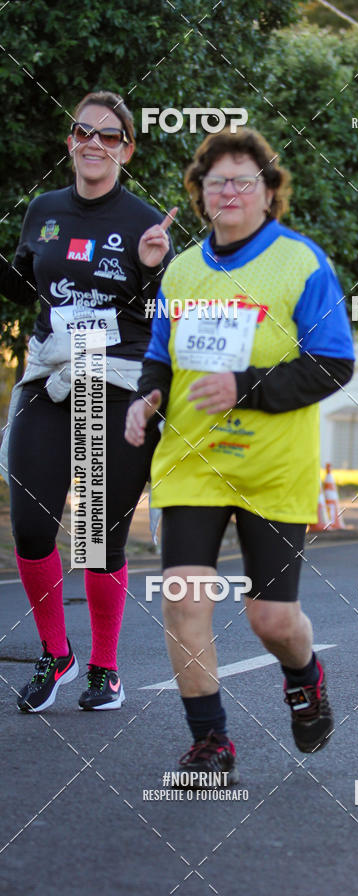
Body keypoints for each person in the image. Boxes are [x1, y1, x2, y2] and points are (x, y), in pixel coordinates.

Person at [125, 127, 354, 778]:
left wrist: (247, 387)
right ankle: (211, 741)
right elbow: (159, 359)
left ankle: (304, 676)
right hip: (191, 464)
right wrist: (147, 400)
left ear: (268, 193)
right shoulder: (184, 269)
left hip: (272, 468)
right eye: (216, 180)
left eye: (243, 180)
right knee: (184, 598)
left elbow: (334, 364)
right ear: (200, 195)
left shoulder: (302, 262)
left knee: (272, 620)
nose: (228, 190)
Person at [0, 91, 175, 711]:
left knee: (101, 536)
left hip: (118, 378)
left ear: (127, 149)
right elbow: (30, 284)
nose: (94, 144)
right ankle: (57, 654)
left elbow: (165, 317)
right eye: (83, 132)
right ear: (70, 141)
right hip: (49, 375)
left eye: (109, 136)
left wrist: (153, 270)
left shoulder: (145, 222)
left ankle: (105, 668)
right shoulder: (43, 211)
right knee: (30, 526)